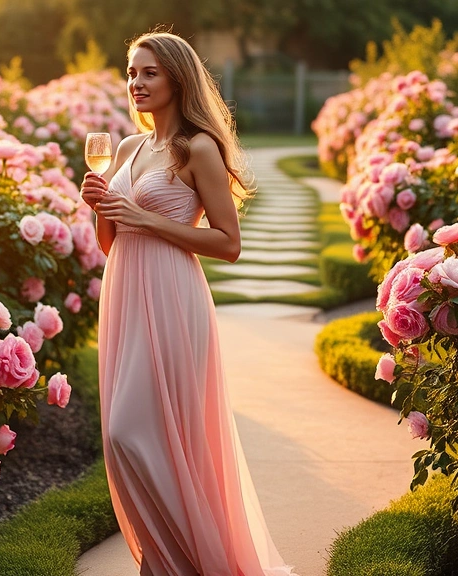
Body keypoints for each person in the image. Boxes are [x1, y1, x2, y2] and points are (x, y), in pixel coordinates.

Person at [80, 30, 298, 576]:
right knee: (128, 435)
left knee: (138, 433)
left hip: (173, 295)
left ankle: (193, 562)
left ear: (177, 78)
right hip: (126, 292)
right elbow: (110, 242)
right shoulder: (129, 148)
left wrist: (148, 219)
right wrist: (99, 205)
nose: (137, 82)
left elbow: (229, 243)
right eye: (131, 72)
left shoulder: (198, 148)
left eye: (149, 72)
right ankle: (162, 563)